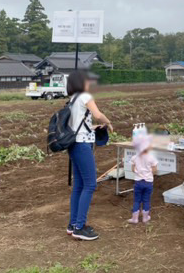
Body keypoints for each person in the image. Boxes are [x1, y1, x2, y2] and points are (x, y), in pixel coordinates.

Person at [66, 70, 113, 241]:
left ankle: (73, 225)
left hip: (73, 145)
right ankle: (80, 227)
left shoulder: (72, 99)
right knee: (90, 185)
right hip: (82, 146)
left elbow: (79, 125)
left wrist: (94, 128)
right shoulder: (85, 96)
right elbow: (98, 114)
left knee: (79, 185)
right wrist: (108, 122)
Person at [128, 134, 158, 224]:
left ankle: (135, 218)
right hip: (148, 182)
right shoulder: (151, 158)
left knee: (137, 200)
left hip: (138, 181)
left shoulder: (135, 157)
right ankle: (145, 218)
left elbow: (133, 169)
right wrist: (149, 174)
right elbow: (155, 170)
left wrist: (138, 172)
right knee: (146, 200)